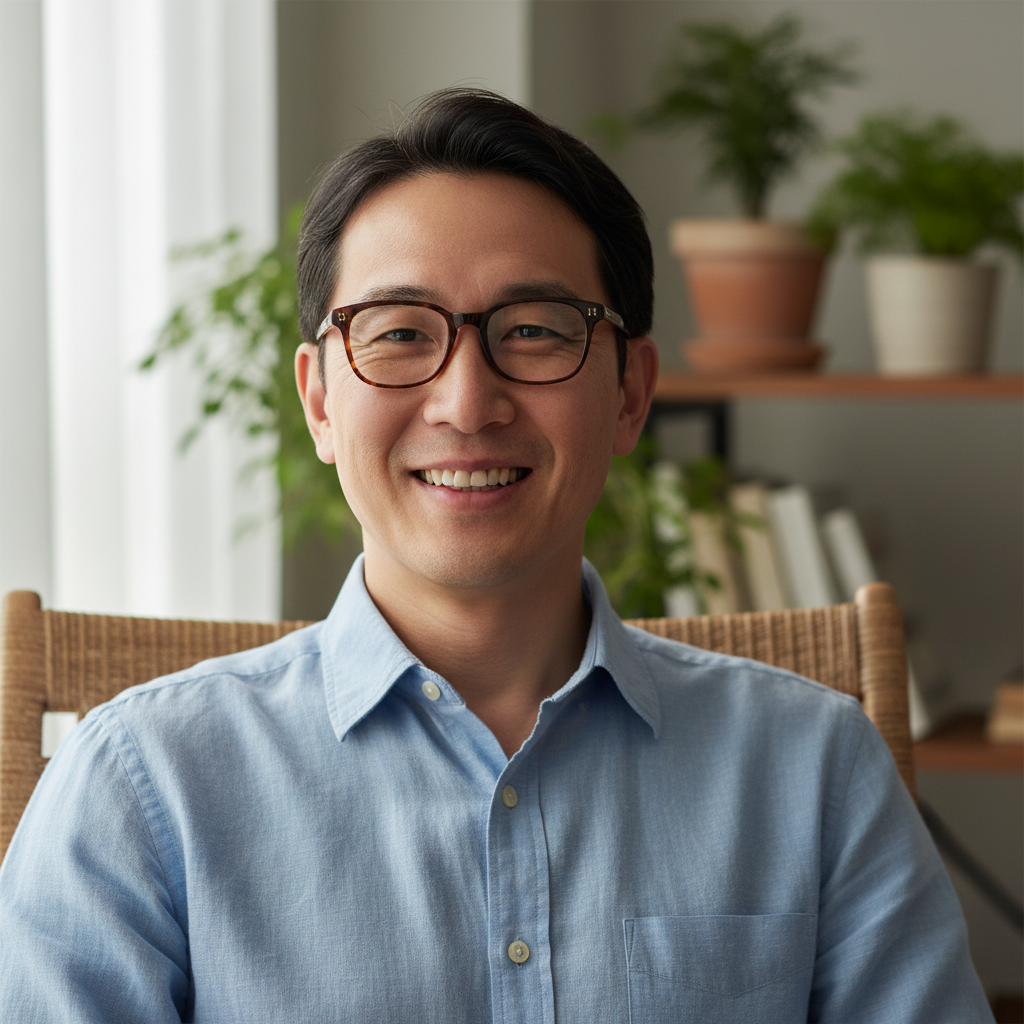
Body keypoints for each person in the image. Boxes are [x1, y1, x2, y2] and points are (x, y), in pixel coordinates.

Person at [0, 88, 993, 1023]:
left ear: (630, 393)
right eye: (397, 333)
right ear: (317, 400)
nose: (466, 403)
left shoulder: (813, 770)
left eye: (532, 329)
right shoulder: (137, 784)